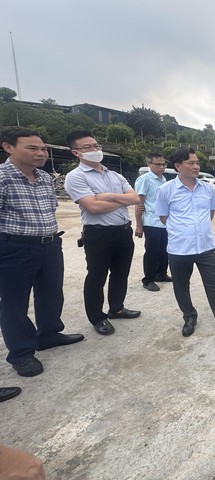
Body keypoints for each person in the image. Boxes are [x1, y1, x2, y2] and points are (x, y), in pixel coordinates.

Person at [0, 127, 84, 377]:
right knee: (14, 303)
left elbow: (50, 209)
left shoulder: (46, 178)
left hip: (49, 244)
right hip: (13, 248)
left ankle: (49, 334)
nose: (41, 153)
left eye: (43, 148)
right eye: (32, 148)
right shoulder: (2, 177)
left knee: (51, 293)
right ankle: (22, 353)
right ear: (8, 147)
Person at [156, 148, 215, 337]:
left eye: (197, 163)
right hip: (179, 249)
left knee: (214, 284)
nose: (196, 166)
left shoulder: (207, 189)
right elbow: (164, 217)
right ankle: (189, 317)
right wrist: (184, 231)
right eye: (191, 163)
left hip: (205, 247)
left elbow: (210, 213)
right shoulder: (165, 191)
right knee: (181, 285)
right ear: (178, 166)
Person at [64, 130, 141, 336]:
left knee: (120, 273)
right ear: (76, 153)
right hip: (98, 235)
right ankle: (97, 317)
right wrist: (119, 199)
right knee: (97, 277)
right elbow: (93, 208)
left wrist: (105, 196)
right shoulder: (75, 177)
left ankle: (116, 308)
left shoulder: (114, 174)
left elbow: (135, 199)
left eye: (96, 145)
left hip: (123, 232)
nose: (94, 149)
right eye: (87, 147)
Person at [134, 153, 172, 292]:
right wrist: (139, 225)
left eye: (164, 164)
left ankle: (161, 274)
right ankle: (148, 279)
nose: (162, 167)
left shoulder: (163, 180)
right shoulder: (144, 180)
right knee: (151, 252)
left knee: (164, 250)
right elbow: (139, 203)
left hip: (164, 222)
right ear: (149, 164)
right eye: (158, 164)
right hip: (151, 222)